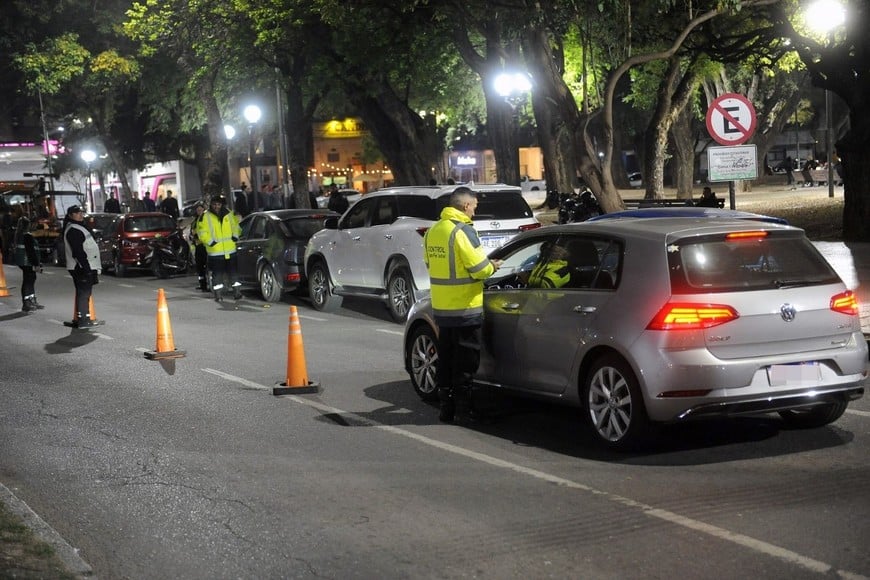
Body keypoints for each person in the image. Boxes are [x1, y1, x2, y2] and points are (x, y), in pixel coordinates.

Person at [423, 188, 502, 423]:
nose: (475, 210)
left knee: (446, 358)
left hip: (442, 308)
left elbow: (430, 264)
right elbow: (479, 268)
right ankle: (464, 410)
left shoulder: (432, 231)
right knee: (466, 361)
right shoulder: (463, 231)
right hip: (466, 308)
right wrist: (492, 267)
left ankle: (446, 408)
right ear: (465, 206)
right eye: (474, 206)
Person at [196, 195, 242, 302]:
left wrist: (235, 236)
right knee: (217, 275)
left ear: (222, 205)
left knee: (234, 273)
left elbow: (236, 226)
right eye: (215, 204)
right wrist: (211, 242)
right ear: (211, 205)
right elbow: (202, 233)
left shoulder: (229, 214)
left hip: (230, 250)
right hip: (215, 252)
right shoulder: (205, 216)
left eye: (219, 204)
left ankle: (237, 292)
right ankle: (218, 294)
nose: (217, 207)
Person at [63, 205, 101, 329]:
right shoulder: (74, 229)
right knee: (84, 292)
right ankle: (83, 320)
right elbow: (78, 251)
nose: (80, 214)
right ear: (70, 215)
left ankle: (84, 318)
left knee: (84, 292)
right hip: (80, 266)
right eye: (76, 213)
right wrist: (86, 268)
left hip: (84, 265)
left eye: (80, 212)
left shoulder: (79, 227)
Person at [13, 216, 44, 312]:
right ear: (28, 225)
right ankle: (27, 303)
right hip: (27, 262)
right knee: (28, 280)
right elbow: (31, 251)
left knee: (30, 279)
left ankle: (31, 300)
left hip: (24, 262)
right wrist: (36, 264)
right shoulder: (27, 236)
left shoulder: (19, 235)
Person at [188, 201, 209, 291]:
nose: (199, 211)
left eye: (200, 210)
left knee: (206, 266)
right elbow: (192, 231)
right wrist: (192, 236)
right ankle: (202, 284)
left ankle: (208, 284)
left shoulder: (205, 219)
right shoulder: (195, 220)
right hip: (197, 245)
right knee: (199, 266)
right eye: (198, 210)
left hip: (205, 246)